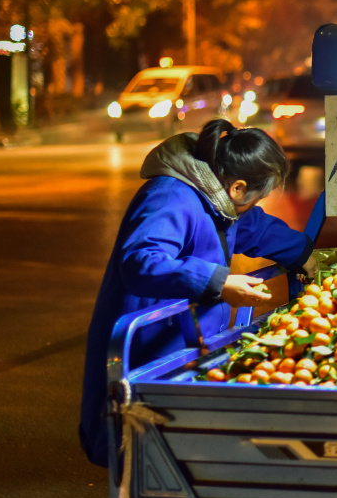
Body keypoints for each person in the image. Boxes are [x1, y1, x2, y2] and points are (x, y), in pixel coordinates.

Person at [78, 118, 316, 467]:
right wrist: (219, 283)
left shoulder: (215, 195)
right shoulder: (170, 196)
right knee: (142, 460)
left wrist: (304, 254)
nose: (253, 206)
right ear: (236, 188)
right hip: (150, 348)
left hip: (185, 346)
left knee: (180, 458)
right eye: (256, 198)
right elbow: (142, 261)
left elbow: (250, 226)